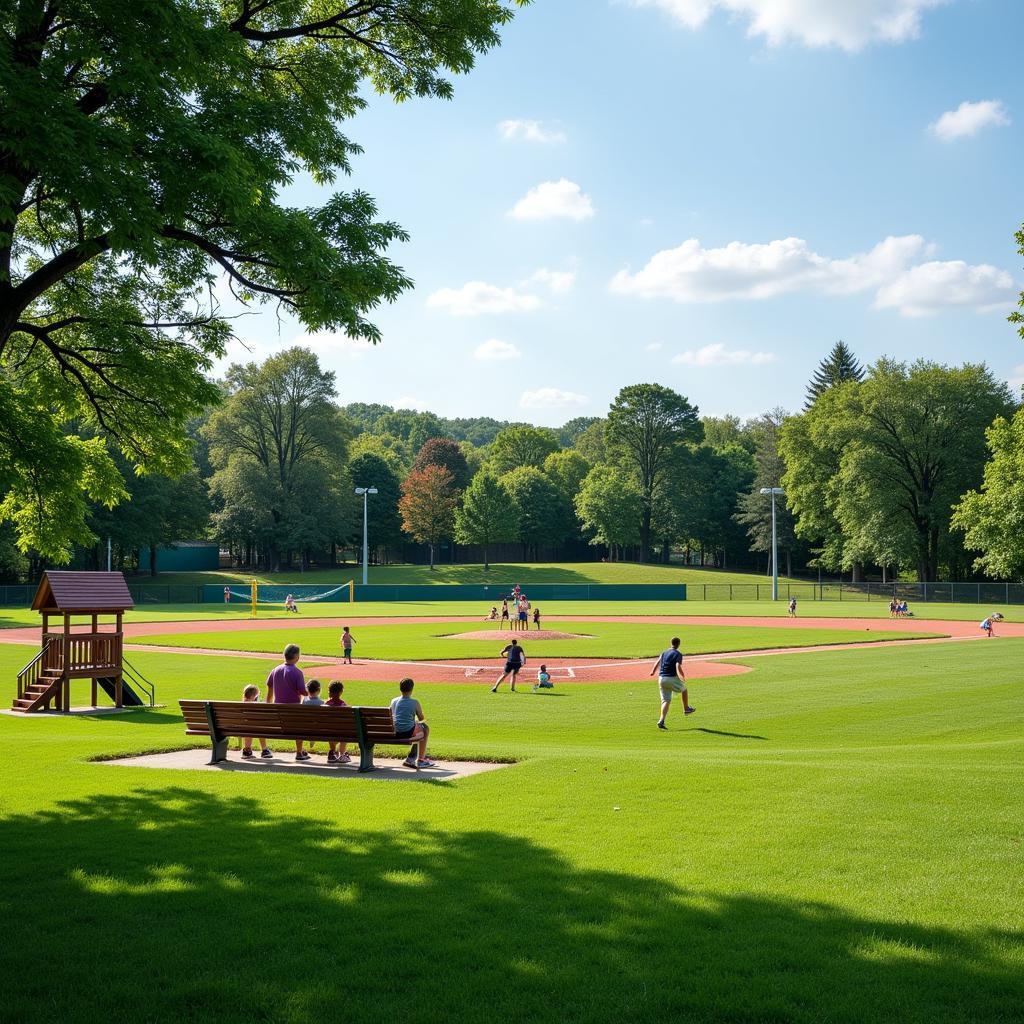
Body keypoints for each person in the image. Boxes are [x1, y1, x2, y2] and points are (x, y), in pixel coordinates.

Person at [267, 643, 309, 760]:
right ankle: (299, 752)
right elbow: (303, 692)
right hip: (293, 711)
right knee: (301, 724)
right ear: (297, 657)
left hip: (278, 711)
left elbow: (269, 688)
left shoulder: (275, 670)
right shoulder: (297, 672)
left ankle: (264, 749)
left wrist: (268, 706)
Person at [649, 636, 694, 729]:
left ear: (671, 643)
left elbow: (657, 662)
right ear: (678, 644)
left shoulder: (664, 652)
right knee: (684, 689)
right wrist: (681, 676)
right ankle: (686, 708)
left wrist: (653, 671)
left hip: (661, 679)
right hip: (671, 678)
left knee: (665, 701)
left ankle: (661, 720)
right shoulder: (678, 654)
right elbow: (677, 665)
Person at [390, 678, 434, 769]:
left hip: (394, 732)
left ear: (400, 689)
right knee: (425, 728)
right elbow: (421, 718)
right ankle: (421, 759)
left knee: (417, 727)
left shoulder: (394, 701)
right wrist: (418, 721)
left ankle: (411, 757)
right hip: (407, 733)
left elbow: (391, 716)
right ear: (412, 689)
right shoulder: (414, 702)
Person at [240, 683, 272, 759]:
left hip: (243, 729)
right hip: (256, 727)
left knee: (247, 728)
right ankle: (264, 750)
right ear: (253, 696)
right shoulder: (256, 705)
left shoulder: (241, 705)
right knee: (260, 727)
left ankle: (247, 750)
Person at [325, 681, 352, 764]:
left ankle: (332, 752)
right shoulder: (343, 704)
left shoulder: (326, 704)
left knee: (330, 730)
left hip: (328, 731)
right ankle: (342, 754)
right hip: (341, 731)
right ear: (341, 692)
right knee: (345, 733)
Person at [302, 679, 324, 753]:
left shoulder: (304, 701)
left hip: (305, 727)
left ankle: (312, 739)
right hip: (318, 728)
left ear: (307, 690)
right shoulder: (322, 703)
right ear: (318, 690)